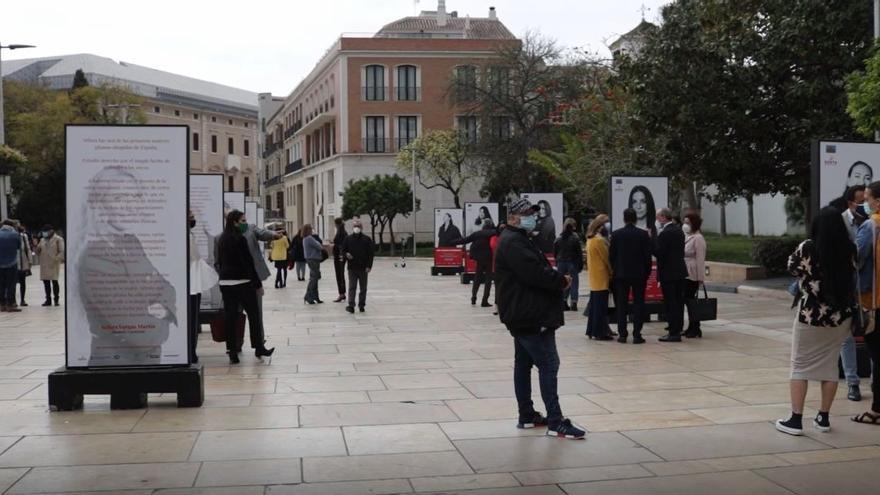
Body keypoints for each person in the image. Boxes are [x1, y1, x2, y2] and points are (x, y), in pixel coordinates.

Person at [495, 198, 586, 440]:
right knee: (548, 364)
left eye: (533, 213)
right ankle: (556, 421)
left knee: (523, 364)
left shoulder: (518, 239)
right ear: (512, 217)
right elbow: (534, 274)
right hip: (530, 314)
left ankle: (526, 415)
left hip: (522, 313)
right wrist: (561, 281)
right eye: (526, 213)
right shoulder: (514, 242)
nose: (531, 216)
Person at [776, 206, 855, 436]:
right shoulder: (849, 248)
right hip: (840, 317)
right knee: (830, 366)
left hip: (810, 316)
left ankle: (796, 419)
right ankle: (823, 417)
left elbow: (792, 267)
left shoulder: (808, 247)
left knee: (799, 366)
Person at [216, 210, 275, 364]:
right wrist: (257, 284)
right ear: (234, 222)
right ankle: (259, 346)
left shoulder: (220, 239)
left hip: (226, 284)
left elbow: (219, 262)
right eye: (242, 221)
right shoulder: (240, 239)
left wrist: (223, 277)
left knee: (231, 318)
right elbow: (248, 264)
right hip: (243, 283)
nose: (245, 224)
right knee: (254, 315)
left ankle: (232, 351)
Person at [852, 182, 880, 425]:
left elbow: (856, 258)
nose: (865, 202)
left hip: (873, 302)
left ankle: (877, 410)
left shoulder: (871, 226)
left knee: (877, 355)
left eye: (868, 198)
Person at [609, 208, 653, 344]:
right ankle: (637, 334)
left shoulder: (616, 235)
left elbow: (612, 256)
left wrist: (615, 270)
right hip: (639, 274)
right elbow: (647, 257)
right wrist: (647, 273)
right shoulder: (643, 235)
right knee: (639, 303)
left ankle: (622, 334)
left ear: (624, 219)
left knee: (621, 304)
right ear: (635, 219)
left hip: (621, 274)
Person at [655, 208, 688, 342]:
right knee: (678, 301)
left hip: (668, 273)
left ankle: (673, 332)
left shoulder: (665, 233)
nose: (657, 220)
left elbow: (659, 253)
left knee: (670, 303)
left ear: (663, 217)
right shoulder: (678, 230)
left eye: (658, 217)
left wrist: (651, 242)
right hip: (679, 271)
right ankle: (677, 328)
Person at [451, 219, 497, 307]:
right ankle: (485, 301)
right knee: (488, 279)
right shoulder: (494, 232)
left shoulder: (477, 233)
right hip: (489, 258)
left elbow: (465, 240)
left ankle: (473, 297)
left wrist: (453, 242)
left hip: (479, 258)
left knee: (477, 277)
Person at [585, 214, 613, 340]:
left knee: (595, 307)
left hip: (594, 276)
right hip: (602, 276)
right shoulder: (600, 240)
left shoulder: (590, 239)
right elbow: (606, 258)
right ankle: (600, 332)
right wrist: (612, 272)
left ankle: (592, 330)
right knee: (601, 307)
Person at [682, 213, 708, 339]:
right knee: (688, 301)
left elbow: (700, 259)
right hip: (685, 271)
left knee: (691, 301)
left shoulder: (698, 238)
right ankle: (692, 326)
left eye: (688, 222)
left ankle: (695, 327)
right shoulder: (688, 236)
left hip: (692, 273)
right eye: (684, 222)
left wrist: (700, 277)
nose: (685, 225)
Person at [342, 219, 375, 313]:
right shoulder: (348, 239)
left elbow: (370, 254)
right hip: (352, 267)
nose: (357, 228)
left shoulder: (367, 239)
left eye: (358, 226)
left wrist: (369, 266)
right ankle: (351, 305)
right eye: (355, 226)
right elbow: (343, 250)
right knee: (352, 287)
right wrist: (346, 254)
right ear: (353, 228)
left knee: (363, 288)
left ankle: (361, 305)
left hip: (363, 268)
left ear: (361, 228)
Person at [554, 218, 583, 312]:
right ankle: (574, 303)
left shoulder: (558, 239)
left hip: (561, 263)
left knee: (563, 283)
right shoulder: (575, 239)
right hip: (572, 263)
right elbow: (579, 253)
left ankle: (563, 302)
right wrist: (580, 265)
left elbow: (555, 252)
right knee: (574, 283)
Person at [36, 225, 64, 307]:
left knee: (54, 281)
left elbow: (62, 251)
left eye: (46, 231)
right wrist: (36, 248)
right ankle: (48, 299)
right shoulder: (42, 240)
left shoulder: (58, 239)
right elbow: (38, 251)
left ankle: (56, 299)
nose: (44, 233)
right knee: (46, 282)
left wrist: (56, 259)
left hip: (53, 264)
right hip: (44, 264)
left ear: (51, 231)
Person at [0, 220, 21, 313]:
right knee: (11, 285)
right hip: (12, 263)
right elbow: (18, 246)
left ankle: (2, 304)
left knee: (1, 285)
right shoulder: (15, 234)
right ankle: (10, 304)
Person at [302, 224, 325, 304]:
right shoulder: (309, 238)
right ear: (308, 230)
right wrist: (318, 241)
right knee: (314, 279)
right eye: (311, 229)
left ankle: (315, 297)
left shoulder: (305, 238)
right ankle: (308, 296)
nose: (312, 230)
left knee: (314, 278)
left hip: (311, 259)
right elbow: (319, 246)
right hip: (313, 259)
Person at [16, 223, 33, 307]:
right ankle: (12, 300)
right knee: (12, 283)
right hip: (14, 263)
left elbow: (28, 248)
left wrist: (30, 261)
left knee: (22, 282)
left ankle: (22, 299)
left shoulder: (24, 236)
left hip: (22, 262)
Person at [331, 218, 348, 302]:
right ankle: (342, 293)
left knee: (339, 274)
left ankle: (341, 293)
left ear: (337, 224)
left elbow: (342, 245)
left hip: (339, 256)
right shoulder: (341, 232)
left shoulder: (342, 233)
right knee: (340, 274)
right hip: (339, 255)